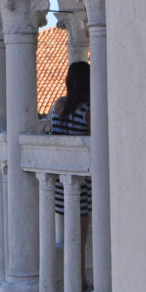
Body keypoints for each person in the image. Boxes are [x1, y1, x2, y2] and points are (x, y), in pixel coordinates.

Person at [49, 61, 92, 220]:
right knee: (79, 231)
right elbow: (95, 144)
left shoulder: (58, 105)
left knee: (66, 226)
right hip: (80, 177)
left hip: (59, 175)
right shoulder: (87, 111)